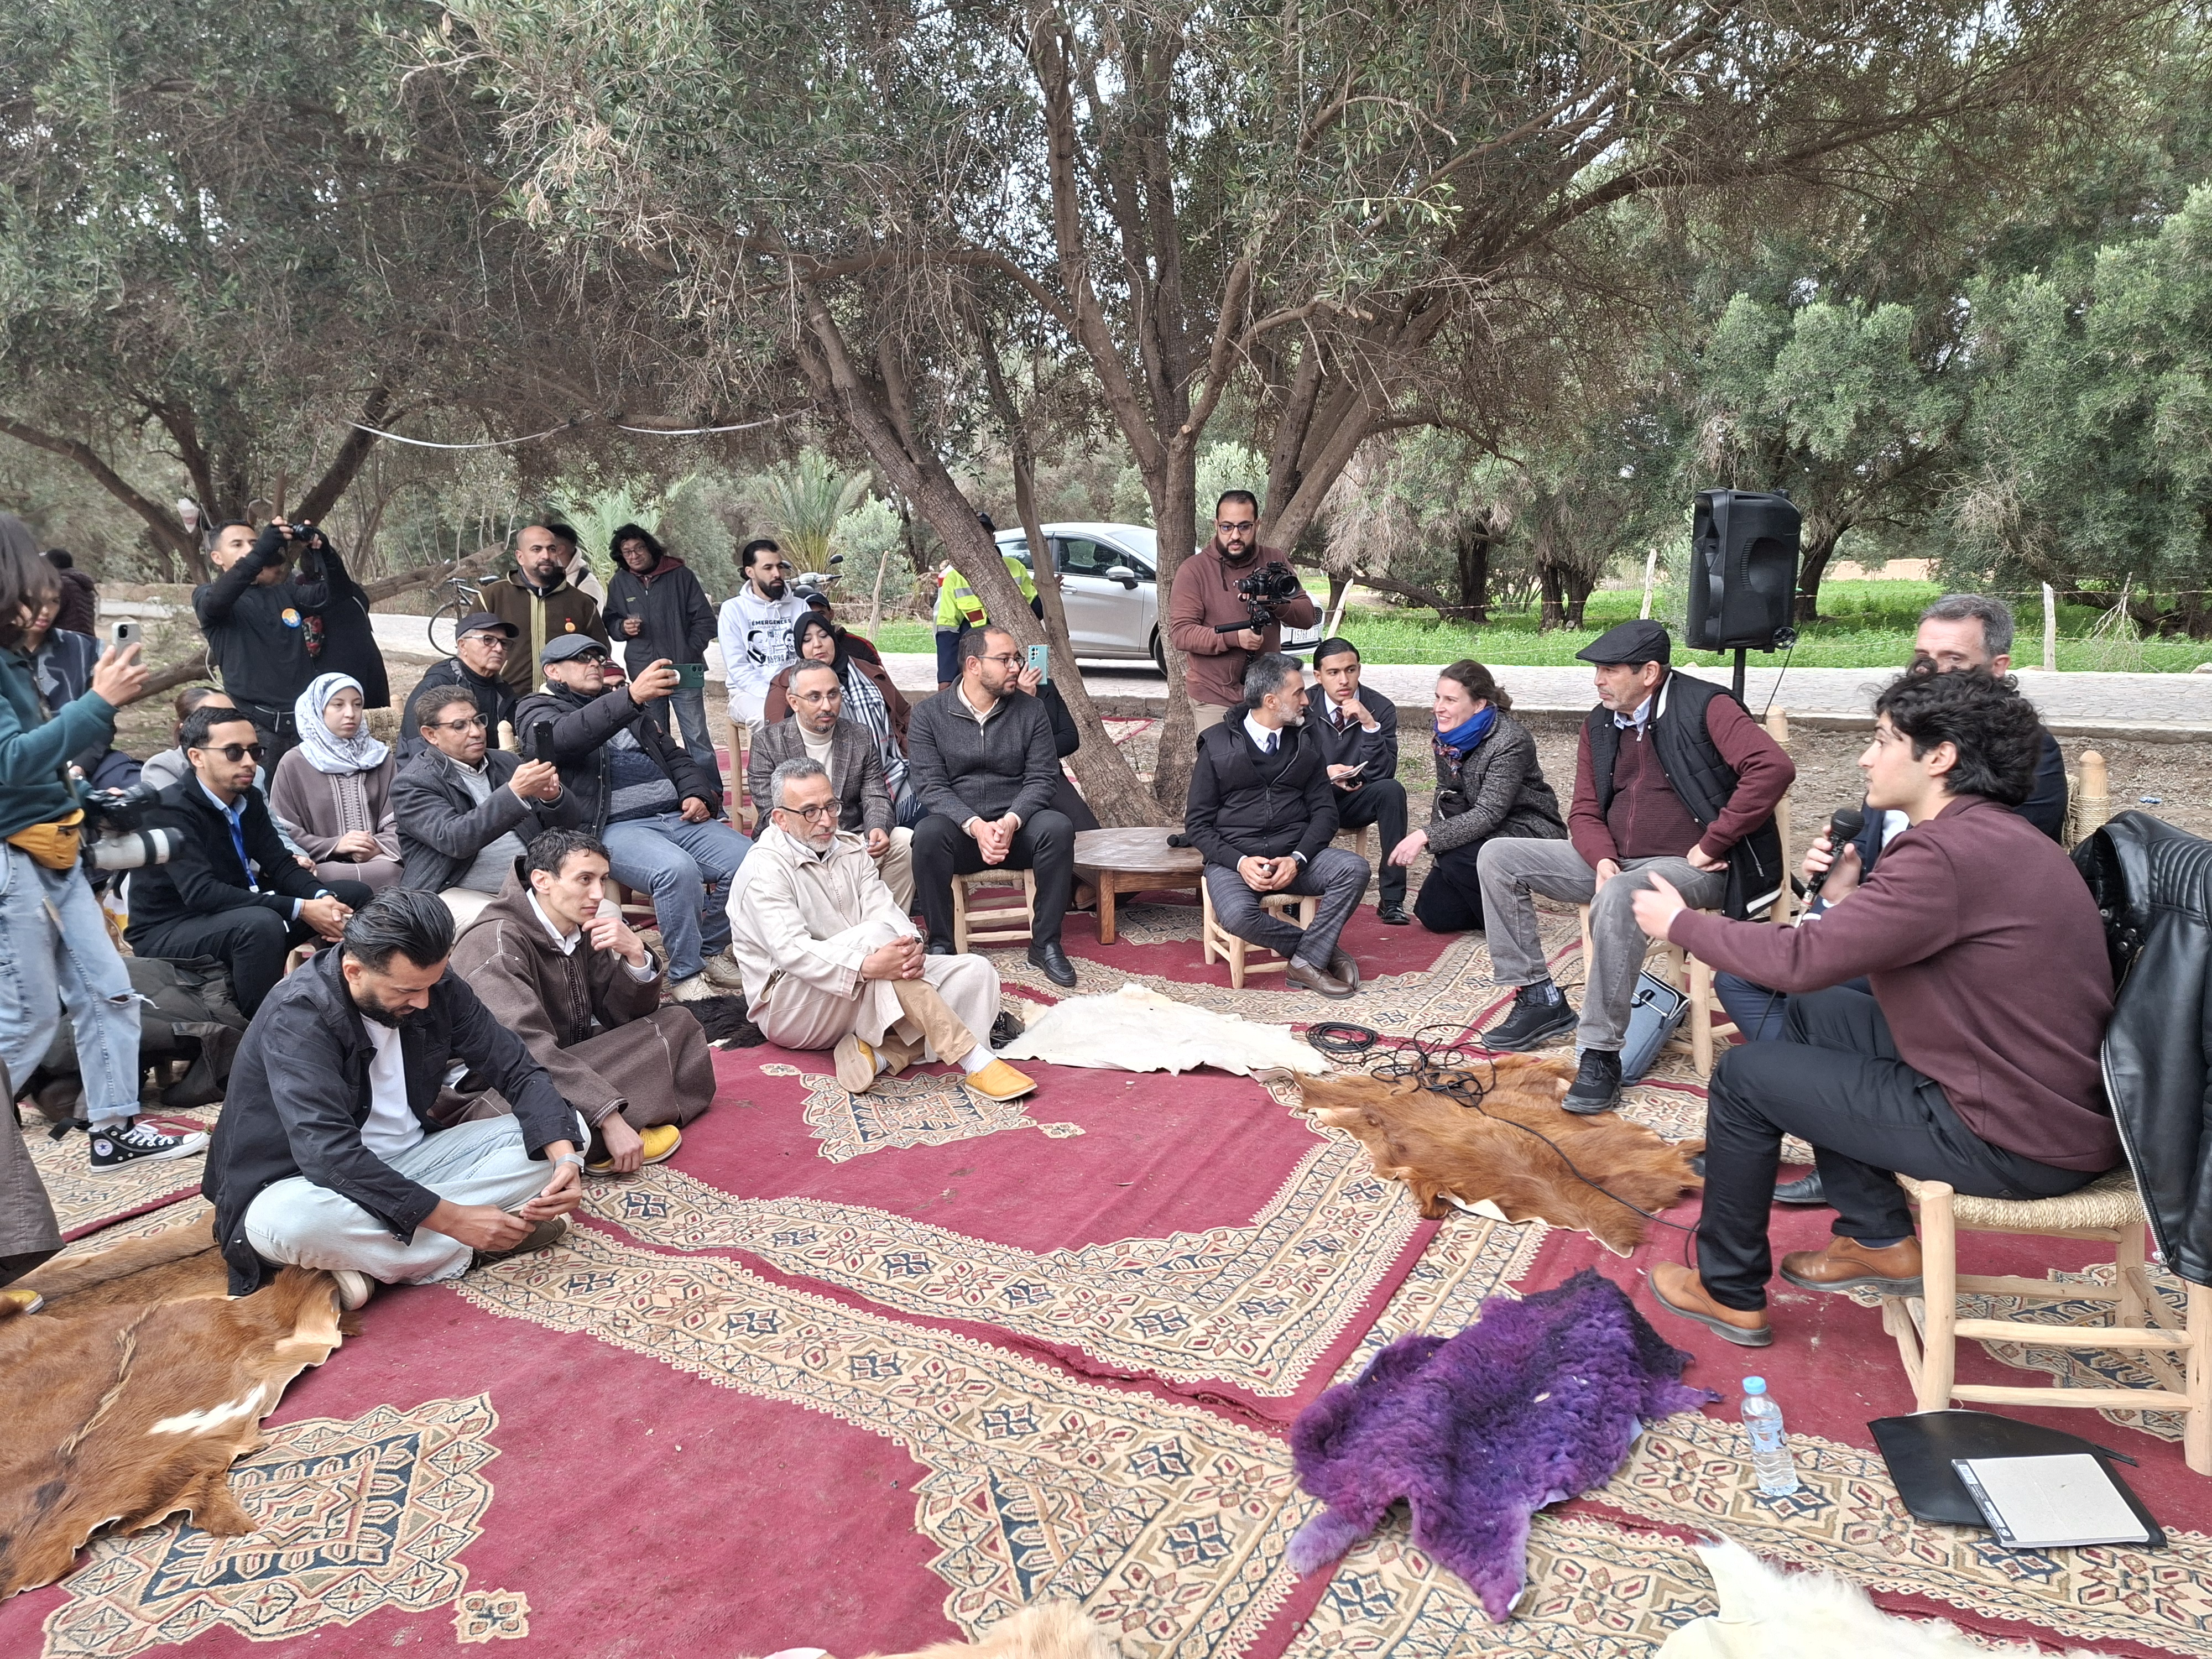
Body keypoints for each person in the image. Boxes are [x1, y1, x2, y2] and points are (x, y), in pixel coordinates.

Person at [1631, 670, 2118, 1349]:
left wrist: (1680, 923)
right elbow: (1840, 960)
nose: (1866, 758)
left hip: (2012, 1136)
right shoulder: (1996, 837)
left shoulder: (1946, 851)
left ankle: (1728, 1290)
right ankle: (1877, 1239)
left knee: (1745, 1080)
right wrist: (1844, 894)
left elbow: (1801, 959)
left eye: (1884, 740)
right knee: (1815, 1014)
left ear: (1939, 757)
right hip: (2034, 1101)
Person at [1712, 593, 2075, 1211]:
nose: (1930, 671)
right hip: (1894, 931)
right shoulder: (1910, 747)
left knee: (1796, 996)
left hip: (1944, 961)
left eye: (1951, 660)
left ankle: (1850, 1121)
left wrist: (1675, 919)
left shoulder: (2012, 764)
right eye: (1921, 658)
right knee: (1759, 986)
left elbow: (1973, 887)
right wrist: (1837, 884)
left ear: (1998, 668)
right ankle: (1846, 1128)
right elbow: (1886, 867)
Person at [202, 889, 587, 1305]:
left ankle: (374, 1259)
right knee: (291, 1224)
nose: (423, 1001)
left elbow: (514, 1067)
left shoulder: (433, 985)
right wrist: (455, 1220)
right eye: (406, 990)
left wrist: (565, 1161)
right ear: (354, 971)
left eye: (431, 985)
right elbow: (329, 1155)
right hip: (302, 1183)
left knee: (567, 1131)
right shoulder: (298, 1016)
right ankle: (461, 1246)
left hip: (412, 1161)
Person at [1474, 619, 1794, 1114]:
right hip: (1620, 860)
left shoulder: (1707, 706)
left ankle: (1600, 1054)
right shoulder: (1600, 723)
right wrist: (1601, 858)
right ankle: (1538, 997)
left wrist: (1714, 842)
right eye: (1597, 670)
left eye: (1609, 670)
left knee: (1625, 892)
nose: (1598, 681)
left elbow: (1773, 769)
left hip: (1696, 867)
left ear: (1649, 673)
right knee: (1498, 856)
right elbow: (1584, 810)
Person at [0, 516, 204, 1193]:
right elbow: (11, 762)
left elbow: (37, 768)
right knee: (27, 1019)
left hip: (55, 853)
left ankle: (113, 1129)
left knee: (110, 992)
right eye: (33, 594)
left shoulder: (21, 660)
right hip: (13, 860)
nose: (45, 608)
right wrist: (96, 704)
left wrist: (87, 797)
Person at [726, 758, 1037, 1102]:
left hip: (866, 985)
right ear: (780, 819)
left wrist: (911, 948)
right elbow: (793, 952)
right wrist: (866, 966)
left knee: (977, 973)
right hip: (792, 1006)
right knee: (874, 937)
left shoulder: (849, 848)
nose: (826, 820)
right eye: (810, 812)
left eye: (831, 806)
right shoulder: (763, 870)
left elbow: (884, 909)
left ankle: (882, 1055)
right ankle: (974, 1059)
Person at [449, 829, 712, 1174]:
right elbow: (523, 1051)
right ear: (542, 880)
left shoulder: (579, 925)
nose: (598, 894)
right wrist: (608, 1115)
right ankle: (605, 1133)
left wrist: (635, 957)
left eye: (603, 880)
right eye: (585, 880)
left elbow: (621, 1019)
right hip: (494, 1092)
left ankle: (594, 1130)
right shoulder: (496, 942)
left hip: (560, 1061)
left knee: (679, 1024)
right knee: (646, 1067)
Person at [515, 635, 749, 1001]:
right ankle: (687, 974)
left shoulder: (626, 707)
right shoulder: (537, 709)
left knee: (752, 860)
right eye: (581, 659)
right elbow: (565, 739)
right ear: (553, 671)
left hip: (676, 816)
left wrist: (696, 793)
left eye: (598, 657)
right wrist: (630, 697)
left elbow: (675, 756)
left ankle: (710, 950)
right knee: (676, 870)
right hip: (613, 826)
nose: (594, 664)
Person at [126, 706, 374, 1015]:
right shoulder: (169, 810)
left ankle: (346, 1003)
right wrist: (302, 908)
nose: (249, 763)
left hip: (237, 910)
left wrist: (323, 900)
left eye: (255, 751)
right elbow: (202, 893)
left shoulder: (248, 799)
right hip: (170, 928)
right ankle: (262, 1026)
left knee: (352, 896)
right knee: (260, 925)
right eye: (233, 752)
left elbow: (280, 863)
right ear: (196, 757)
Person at [1186, 653, 1369, 998]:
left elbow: (1326, 814)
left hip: (1295, 857)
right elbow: (1197, 824)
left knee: (1354, 869)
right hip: (1234, 862)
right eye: (1298, 693)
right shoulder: (1217, 744)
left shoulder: (1306, 742)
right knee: (1238, 917)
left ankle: (1306, 962)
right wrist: (1240, 862)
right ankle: (1320, 953)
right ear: (1271, 701)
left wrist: (1297, 859)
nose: (1307, 700)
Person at [907, 628, 1079, 987]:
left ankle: (1046, 944)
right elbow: (930, 786)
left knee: (1057, 828)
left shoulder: (1031, 711)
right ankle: (942, 945)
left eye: (1016, 658)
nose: (1016, 667)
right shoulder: (929, 715)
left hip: (1017, 830)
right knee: (927, 834)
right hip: (962, 834)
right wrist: (975, 825)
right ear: (973, 665)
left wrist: (1011, 821)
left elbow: (1042, 779)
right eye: (1005, 660)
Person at [1390, 661, 1566, 934]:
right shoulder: (1445, 733)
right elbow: (1445, 791)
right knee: (1433, 914)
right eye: (1438, 697)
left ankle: (1511, 925)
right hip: (1479, 830)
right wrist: (1440, 855)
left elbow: (1489, 813)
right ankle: (1497, 903)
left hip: (1525, 828)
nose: (1438, 708)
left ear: (1479, 705)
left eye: (1450, 700)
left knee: (1456, 857)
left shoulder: (1510, 740)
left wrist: (1426, 836)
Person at [393, 688, 585, 926]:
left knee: (604, 914)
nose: (476, 732)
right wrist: (514, 794)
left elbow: (569, 827)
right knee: (509, 926)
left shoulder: (507, 762)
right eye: (460, 726)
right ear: (431, 734)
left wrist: (553, 799)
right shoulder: (412, 783)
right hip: (453, 890)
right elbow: (455, 839)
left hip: (529, 885)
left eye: (477, 721)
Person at [750, 660, 915, 907]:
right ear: (794, 702)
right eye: (814, 697)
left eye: (833, 695)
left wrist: (878, 828)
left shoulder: (860, 736)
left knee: (903, 841)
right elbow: (771, 813)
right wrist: (820, 842)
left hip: (850, 840)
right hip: (797, 847)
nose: (827, 706)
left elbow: (875, 794)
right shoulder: (768, 743)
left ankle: (889, 923)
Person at [1165, 491, 1319, 732]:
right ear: (1216, 525)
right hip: (1215, 694)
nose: (1235, 536)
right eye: (1227, 527)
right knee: (1223, 755)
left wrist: (1273, 601)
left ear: (1257, 524)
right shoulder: (1194, 570)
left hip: (1270, 695)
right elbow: (1182, 634)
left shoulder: (1274, 560)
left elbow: (1307, 616)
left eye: (1244, 527)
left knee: (1276, 756)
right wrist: (1234, 638)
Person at [191, 518, 332, 765]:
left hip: (306, 722)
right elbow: (217, 601)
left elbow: (334, 595)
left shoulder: (283, 592)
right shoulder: (206, 596)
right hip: (255, 728)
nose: (249, 550)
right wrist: (261, 551)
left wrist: (325, 553)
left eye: (254, 543)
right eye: (237, 544)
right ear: (217, 557)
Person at [141, 687, 314, 865]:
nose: (227, 723)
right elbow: (177, 838)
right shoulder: (163, 767)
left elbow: (272, 828)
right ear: (187, 729)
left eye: (232, 715)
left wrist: (294, 856)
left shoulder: (252, 773)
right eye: (211, 717)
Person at [1303, 638, 1410, 925]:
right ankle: (1296, 889)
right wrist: (1326, 774)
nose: (1344, 680)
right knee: (1289, 795)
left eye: (1350, 670)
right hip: (1312, 801)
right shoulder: (1304, 705)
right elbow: (1290, 765)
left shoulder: (1380, 707)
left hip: (1355, 800)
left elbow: (1383, 773)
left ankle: (1392, 899)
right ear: (1318, 676)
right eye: (1334, 673)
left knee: (1392, 791)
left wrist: (1369, 725)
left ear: (1359, 670)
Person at [764, 613, 914, 816]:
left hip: (891, 772)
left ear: (834, 639)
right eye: (807, 640)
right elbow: (778, 742)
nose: (817, 644)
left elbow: (905, 713)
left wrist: (905, 747)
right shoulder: (786, 686)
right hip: (826, 787)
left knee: (926, 810)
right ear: (799, 648)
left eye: (823, 635)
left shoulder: (868, 673)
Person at [268, 672, 404, 893]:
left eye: (357, 705)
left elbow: (400, 821)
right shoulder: (295, 763)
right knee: (324, 877)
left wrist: (375, 847)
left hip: (380, 861)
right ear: (318, 710)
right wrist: (336, 845)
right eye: (338, 705)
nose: (350, 713)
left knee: (391, 872)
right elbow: (283, 830)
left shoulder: (381, 758)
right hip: (320, 864)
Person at [602, 523, 717, 757]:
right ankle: (666, 782)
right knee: (654, 738)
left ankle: (707, 782)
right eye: (627, 552)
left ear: (650, 548)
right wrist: (622, 627)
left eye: (639, 548)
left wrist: (689, 650)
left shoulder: (680, 575)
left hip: (684, 669)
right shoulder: (619, 582)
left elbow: (706, 620)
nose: (634, 556)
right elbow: (610, 621)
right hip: (644, 673)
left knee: (697, 739)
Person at [18, 589, 139, 791]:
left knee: (139, 791)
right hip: (23, 765)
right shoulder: (6, 659)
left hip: (84, 756)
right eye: (34, 601)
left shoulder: (84, 648)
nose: (46, 611)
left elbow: (102, 723)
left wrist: (79, 767)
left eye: (54, 601)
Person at [481, 523, 609, 701]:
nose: (546, 556)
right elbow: (471, 650)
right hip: (504, 700)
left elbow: (601, 651)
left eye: (552, 549)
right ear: (520, 557)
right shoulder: (492, 596)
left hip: (565, 705)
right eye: (537, 549)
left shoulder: (581, 602)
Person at [399, 613, 519, 762]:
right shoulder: (436, 687)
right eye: (488, 640)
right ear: (463, 646)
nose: (499, 649)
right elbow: (419, 752)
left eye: (504, 643)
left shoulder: (503, 690)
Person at [932, 543, 1040, 690]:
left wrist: (1047, 596)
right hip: (980, 657)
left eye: (986, 533)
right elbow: (948, 629)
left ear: (992, 537)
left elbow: (1034, 612)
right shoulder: (954, 578)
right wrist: (946, 677)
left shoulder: (1015, 567)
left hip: (1014, 654)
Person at [547, 521, 606, 607]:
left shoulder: (587, 583)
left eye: (548, 546)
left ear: (559, 550)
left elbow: (592, 614)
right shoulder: (545, 575)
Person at [44, 548, 97, 637]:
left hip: (67, 638)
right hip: (86, 639)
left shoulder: (61, 584)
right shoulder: (81, 582)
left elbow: (50, 615)